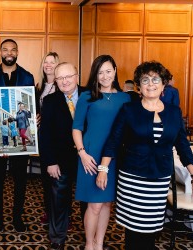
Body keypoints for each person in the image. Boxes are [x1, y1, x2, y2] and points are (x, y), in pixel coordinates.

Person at [99, 61, 193, 250]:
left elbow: (183, 145)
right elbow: (113, 141)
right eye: (145, 80)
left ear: (164, 84)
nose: (150, 84)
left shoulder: (173, 112)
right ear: (139, 85)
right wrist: (103, 169)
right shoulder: (129, 110)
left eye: (156, 79)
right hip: (132, 178)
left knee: (150, 228)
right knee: (133, 230)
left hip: (158, 180)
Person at [72, 55, 130, 250]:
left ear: (115, 70)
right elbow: (77, 128)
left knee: (106, 204)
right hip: (90, 155)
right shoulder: (87, 96)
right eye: (100, 72)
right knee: (95, 204)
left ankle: (99, 243)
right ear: (95, 75)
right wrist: (82, 153)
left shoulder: (126, 98)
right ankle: (89, 244)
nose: (105, 76)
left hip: (114, 157)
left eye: (108, 71)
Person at [0, 38, 34, 232]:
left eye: (12, 50)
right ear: (0, 52)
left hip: (20, 135)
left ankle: (17, 217)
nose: (9, 53)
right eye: (5, 50)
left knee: (20, 180)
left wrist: (36, 117)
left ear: (17, 52)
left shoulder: (28, 77)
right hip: (0, 135)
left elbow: (33, 104)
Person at [40, 62, 86, 250]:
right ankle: (57, 238)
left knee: (89, 203)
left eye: (68, 76)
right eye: (60, 78)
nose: (65, 81)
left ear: (76, 76)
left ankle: (91, 238)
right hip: (60, 160)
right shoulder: (50, 101)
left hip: (88, 160)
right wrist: (50, 162)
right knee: (58, 201)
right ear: (56, 81)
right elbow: (46, 135)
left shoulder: (90, 96)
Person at [35, 52, 59, 225]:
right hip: (43, 138)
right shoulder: (39, 87)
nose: (48, 65)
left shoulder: (63, 85)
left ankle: (62, 216)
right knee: (45, 179)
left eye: (52, 62)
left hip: (58, 139)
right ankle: (48, 211)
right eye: (46, 62)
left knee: (59, 181)